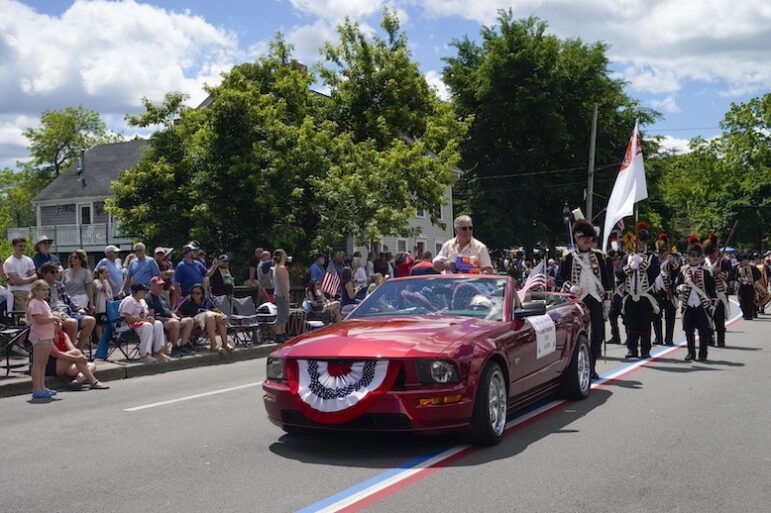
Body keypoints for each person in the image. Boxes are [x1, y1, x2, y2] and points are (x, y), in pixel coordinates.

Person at [556, 219, 612, 380]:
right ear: (577, 239)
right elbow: (559, 279)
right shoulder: (568, 256)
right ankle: (578, 368)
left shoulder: (600, 256)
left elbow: (607, 279)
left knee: (598, 335)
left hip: (595, 299)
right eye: (583, 239)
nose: (586, 241)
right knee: (580, 336)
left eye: (589, 239)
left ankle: (592, 366)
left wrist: (607, 298)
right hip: (577, 302)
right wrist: (569, 287)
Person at [616, 223, 660, 359]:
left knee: (645, 325)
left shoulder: (652, 258)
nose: (640, 245)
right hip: (630, 296)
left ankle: (645, 350)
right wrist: (630, 267)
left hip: (645, 296)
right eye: (638, 242)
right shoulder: (627, 258)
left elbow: (655, 273)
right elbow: (618, 273)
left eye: (643, 242)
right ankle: (632, 349)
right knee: (631, 324)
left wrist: (643, 263)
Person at [675, 240, 717, 361]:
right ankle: (691, 353)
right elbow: (676, 286)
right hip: (687, 306)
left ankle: (703, 353)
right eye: (693, 255)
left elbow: (712, 291)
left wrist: (713, 305)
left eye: (698, 256)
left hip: (702, 305)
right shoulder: (683, 272)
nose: (695, 258)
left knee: (703, 331)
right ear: (688, 257)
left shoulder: (706, 272)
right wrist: (679, 287)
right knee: (688, 331)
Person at [39, 262, 96, 350]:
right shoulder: (40, 287)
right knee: (72, 323)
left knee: (90, 320)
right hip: (53, 314)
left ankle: (78, 349)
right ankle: (70, 350)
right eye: (52, 272)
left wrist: (78, 308)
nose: (55, 274)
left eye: (56, 272)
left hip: (67, 311)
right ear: (44, 274)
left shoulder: (59, 284)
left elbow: (69, 301)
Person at [27, 279, 62, 399]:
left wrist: (55, 321)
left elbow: (48, 317)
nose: (45, 292)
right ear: (35, 291)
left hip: (47, 335)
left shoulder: (44, 303)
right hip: (39, 336)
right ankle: (37, 389)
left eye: (47, 289)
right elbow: (39, 320)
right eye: (43, 290)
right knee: (38, 362)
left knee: (44, 363)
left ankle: (42, 387)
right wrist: (53, 319)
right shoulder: (35, 303)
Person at [118, 283, 169, 363]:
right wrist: (142, 320)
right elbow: (127, 319)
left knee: (158, 324)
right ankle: (145, 355)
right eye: (143, 291)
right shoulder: (129, 301)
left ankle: (157, 352)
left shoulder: (142, 301)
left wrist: (149, 318)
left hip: (140, 324)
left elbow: (146, 315)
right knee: (147, 325)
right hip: (126, 326)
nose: (145, 293)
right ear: (137, 292)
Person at [176, 283, 233, 352]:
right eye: (193, 293)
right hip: (195, 321)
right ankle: (214, 345)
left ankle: (225, 344)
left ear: (202, 294)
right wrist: (184, 318)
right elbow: (177, 312)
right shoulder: (188, 301)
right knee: (209, 316)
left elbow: (215, 310)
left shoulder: (206, 300)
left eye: (197, 293)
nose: (195, 295)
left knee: (219, 318)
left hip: (207, 321)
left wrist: (221, 315)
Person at [146, 276, 194, 355]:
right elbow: (152, 316)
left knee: (189, 320)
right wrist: (167, 319)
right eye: (158, 285)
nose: (161, 287)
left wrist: (175, 316)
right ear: (152, 285)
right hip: (160, 322)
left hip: (171, 319)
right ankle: (174, 348)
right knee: (174, 323)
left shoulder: (162, 297)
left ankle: (183, 345)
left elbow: (169, 311)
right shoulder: (149, 298)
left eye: (161, 285)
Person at [704, 232, 732, 347]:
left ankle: (721, 340)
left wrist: (720, 273)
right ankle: (710, 338)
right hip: (706, 294)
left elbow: (730, 276)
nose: (712, 256)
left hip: (720, 293)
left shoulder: (724, 261)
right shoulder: (704, 263)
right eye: (710, 253)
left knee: (719, 319)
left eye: (713, 253)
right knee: (707, 318)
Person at [652, 233, 678, 346]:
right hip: (657, 292)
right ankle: (658, 337)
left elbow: (678, 272)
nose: (661, 254)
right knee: (656, 316)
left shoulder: (672, 260)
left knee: (670, 317)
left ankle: (669, 338)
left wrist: (672, 262)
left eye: (663, 251)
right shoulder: (653, 261)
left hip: (669, 292)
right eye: (660, 252)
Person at [3, 237, 37, 312]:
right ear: (14, 247)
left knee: (34, 314)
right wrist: (29, 278)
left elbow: (35, 277)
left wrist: (21, 280)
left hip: (30, 292)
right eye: (20, 246)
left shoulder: (28, 260)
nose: (23, 248)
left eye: (24, 246)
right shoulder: (9, 262)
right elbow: (17, 282)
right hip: (17, 292)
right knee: (23, 316)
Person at [606, 249, 626, 345]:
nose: (614, 262)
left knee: (626, 318)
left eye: (615, 260)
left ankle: (629, 338)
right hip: (615, 296)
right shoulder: (612, 268)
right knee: (612, 315)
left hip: (624, 295)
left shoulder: (624, 267)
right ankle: (615, 336)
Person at [733, 253, 759, 320]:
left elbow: (758, 275)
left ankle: (749, 315)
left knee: (750, 300)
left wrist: (753, 279)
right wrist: (739, 279)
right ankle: (745, 314)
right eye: (744, 260)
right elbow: (735, 276)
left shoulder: (753, 267)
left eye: (747, 260)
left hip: (750, 286)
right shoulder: (738, 267)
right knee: (743, 300)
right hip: (742, 286)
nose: (745, 261)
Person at [271, 249, 290, 342]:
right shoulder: (281, 268)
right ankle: (278, 334)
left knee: (285, 314)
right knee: (282, 315)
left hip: (279, 294)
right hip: (281, 295)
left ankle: (283, 332)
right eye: (284, 253)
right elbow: (283, 283)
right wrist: (286, 295)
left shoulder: (277, 267)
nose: (286, 255)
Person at [92, 266, 114, 341]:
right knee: (100, 323)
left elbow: (114, 286)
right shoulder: (96, 281)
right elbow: (103, 289)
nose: (107, 274)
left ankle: (107, 339)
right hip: (101, 306)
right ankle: (100, 339)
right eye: (106, 272)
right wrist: (101, 279)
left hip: (108, 305)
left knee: (107, 323)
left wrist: (109, 278)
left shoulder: (107, 281)